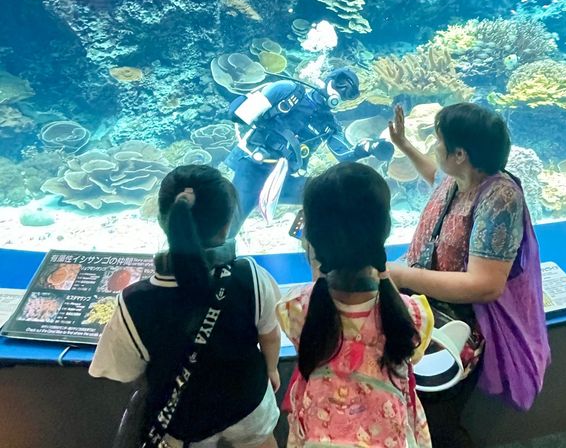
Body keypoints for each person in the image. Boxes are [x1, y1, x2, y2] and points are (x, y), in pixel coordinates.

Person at [387, 103, 550, 448]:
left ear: (459, 153)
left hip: (458, 327)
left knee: (438, 420)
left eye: (438, 140)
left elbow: (485, 285)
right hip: (427, 311)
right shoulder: (462, 177)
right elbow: (438, 183)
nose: (434, 145)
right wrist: (404, 146)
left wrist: (402, 276)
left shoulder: (500, 199)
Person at [89, 164, 282, 448]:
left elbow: (124, 370)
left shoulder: (134, 302)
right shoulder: (250, 276)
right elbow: (270, 333)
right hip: (248, 401)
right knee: (260, 439)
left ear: (163, 221)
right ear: (227, 224)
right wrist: (272, 369)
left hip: (182, 419)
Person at [277, 162, 435, 447]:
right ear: (384, 230)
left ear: (312, 237)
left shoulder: (294, 309)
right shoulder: (413, 314)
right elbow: (414, 358)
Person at [225, 67, 394, 237]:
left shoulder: (330, 126)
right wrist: (245, 104)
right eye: (340, 84)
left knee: (329, 195)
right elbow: (240, 115)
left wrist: (367, 149)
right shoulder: (287, 91)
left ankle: (311, 240)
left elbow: (343, 157)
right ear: (329, 80)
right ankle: (218, 253)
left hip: (285, 179)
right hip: (253, 167)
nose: (341, 92)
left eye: (349, 92)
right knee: (230, 225)